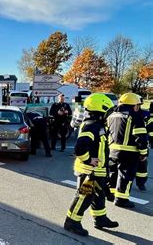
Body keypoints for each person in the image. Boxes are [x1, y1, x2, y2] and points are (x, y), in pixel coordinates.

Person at [64, 93, 118, 236]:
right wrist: (88, 160)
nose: (110, 114)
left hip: (98, 171)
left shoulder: (98, 125)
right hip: (89, 171)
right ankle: (72, 222)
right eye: (108, 111)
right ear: (100, 110)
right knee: (84, 197)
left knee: (99, 196)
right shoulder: (91, 126)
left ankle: (100, 219)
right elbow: (80, 148)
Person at [107, 93, 148, 208]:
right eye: (137, 105)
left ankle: (111, 194)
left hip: (112, 150)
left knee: (114, 173)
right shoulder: (134, 116)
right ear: (132, 105)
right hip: (129, 152)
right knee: (126, 176)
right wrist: (143, 153)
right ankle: (121, 199)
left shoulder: (111, 115)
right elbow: (141, 137)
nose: (138, 107)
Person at [135, 99, 151, 191]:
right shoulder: (129, 115)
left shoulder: (146, 114)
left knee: (142, 165)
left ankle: (141, 183)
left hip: (143, 143)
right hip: (131, 145)